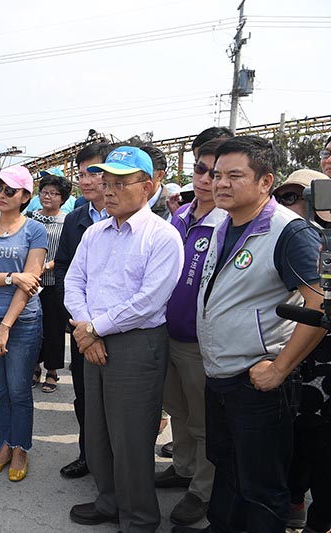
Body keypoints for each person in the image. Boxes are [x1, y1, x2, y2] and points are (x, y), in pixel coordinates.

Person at [177, 136, 326, 533]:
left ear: (265, 182)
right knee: (227, 466)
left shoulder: (289, 232)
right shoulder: (223, 223)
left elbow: (321, 306)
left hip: (257, 382)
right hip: (219, 374)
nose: (219, 183)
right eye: (215, 174)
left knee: (262, 485)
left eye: (234, 176)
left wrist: (279, 369)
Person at [65, 146, 183, 533]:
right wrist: (86, 329)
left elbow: (149, 301)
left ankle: (139, 518)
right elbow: (73, 281)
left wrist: (94, 328)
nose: (109, 190)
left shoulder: (162, 236)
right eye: (106, 182)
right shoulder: (95, 232)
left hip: (136, 344)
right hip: (90, 338)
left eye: (120, 183)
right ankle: (109, 501)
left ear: (147, 187)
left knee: (131, 437)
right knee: (97, 431)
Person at [157, 138, 226, 527]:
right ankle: (182, 468)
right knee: (178, 410)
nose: (205, 179)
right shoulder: (181, 215)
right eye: (200, 169)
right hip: (166, 333)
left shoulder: (228, 222)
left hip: (200, 343)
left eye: (215, 173)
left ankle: (202, 490)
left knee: (202, 422)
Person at [0, 166, 46, 483]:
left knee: (18, 389)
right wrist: (11, 276)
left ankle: (20, 448)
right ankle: (3, 444)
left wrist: (6, 326)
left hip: (22, 321)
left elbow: (30, 284)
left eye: (9, 190)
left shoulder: (35, 231)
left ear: (26, 196)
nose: (1, 195)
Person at [273, 168, 331, 533]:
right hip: (288, 359)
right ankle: (293, 500)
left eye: (299, 197)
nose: (290, 206)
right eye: (284, 198)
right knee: (291, 441)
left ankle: (320, 520)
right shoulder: (278, 239)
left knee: (324, 449)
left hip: (324, 372)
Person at [53, 141, 113, 479]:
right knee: (84, 396)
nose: (86, 181)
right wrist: (78, 317)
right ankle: (87, 454)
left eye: (93, 172)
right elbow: (63, 268)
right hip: (80, 325)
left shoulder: (139, 220)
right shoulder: (77, 218)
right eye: (81, 174)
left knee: (118, 402)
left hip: (118, 326)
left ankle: (116, 464)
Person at [29, 174, 72, 393]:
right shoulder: (30, 218)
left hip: (54, 282)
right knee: (32, 327)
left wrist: (47, 265)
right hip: (31, 283)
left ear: (62, 198)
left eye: (54, 193)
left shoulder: (68, 221)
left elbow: (67, 252)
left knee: (54, 328)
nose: (48, 196)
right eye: (45, 191)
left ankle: (52, 371)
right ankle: (34, 366)